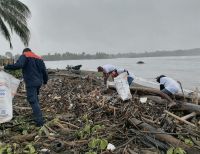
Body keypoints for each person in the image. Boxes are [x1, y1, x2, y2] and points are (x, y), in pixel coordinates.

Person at [3, 48, 48, 127]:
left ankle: (40, 122)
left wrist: (6, 67)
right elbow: (44, 71)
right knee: (35, 98)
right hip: (38, 82)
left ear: (24, 52)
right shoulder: (38, 57)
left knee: (32, 100)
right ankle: (37, 115)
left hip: (31, 82)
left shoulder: (25, 55)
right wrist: (45, 81)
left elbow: (19, 65)